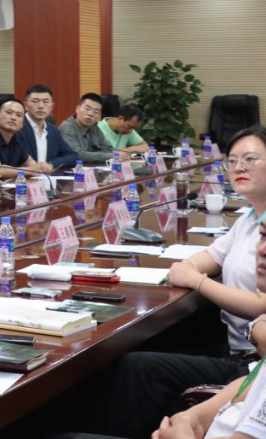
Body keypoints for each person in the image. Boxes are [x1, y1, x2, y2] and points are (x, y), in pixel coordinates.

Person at [93, 126, 266, 438]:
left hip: (251, 360)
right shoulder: (249, 218)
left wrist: (197, 282)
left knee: (137, 367)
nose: (239, 167)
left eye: (250, 159)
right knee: (146, 349)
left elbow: (261, 305)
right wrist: (190, 269)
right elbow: (207, 258)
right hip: (237, 349)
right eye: (232, 160)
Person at [19, 84, 80, 171]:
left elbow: (73, 156)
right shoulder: (17, 127)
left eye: (45, 101)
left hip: (48, 178)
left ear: (51, 107)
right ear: (25, 106)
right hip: (22, 177)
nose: (40, 106)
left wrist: (51, 164)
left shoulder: (53, 130)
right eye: (35, 101)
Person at [60, 92, 120, 164]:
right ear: (77, 109)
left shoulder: (94, 128)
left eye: (96, 112)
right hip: (68, 169)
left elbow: (108, 149)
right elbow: (77, 155)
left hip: (90, 168)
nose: (90, 114)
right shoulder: (67, 127)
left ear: (99, 115)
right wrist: (110, 156)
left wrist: (91, 156)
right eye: (87, 109)